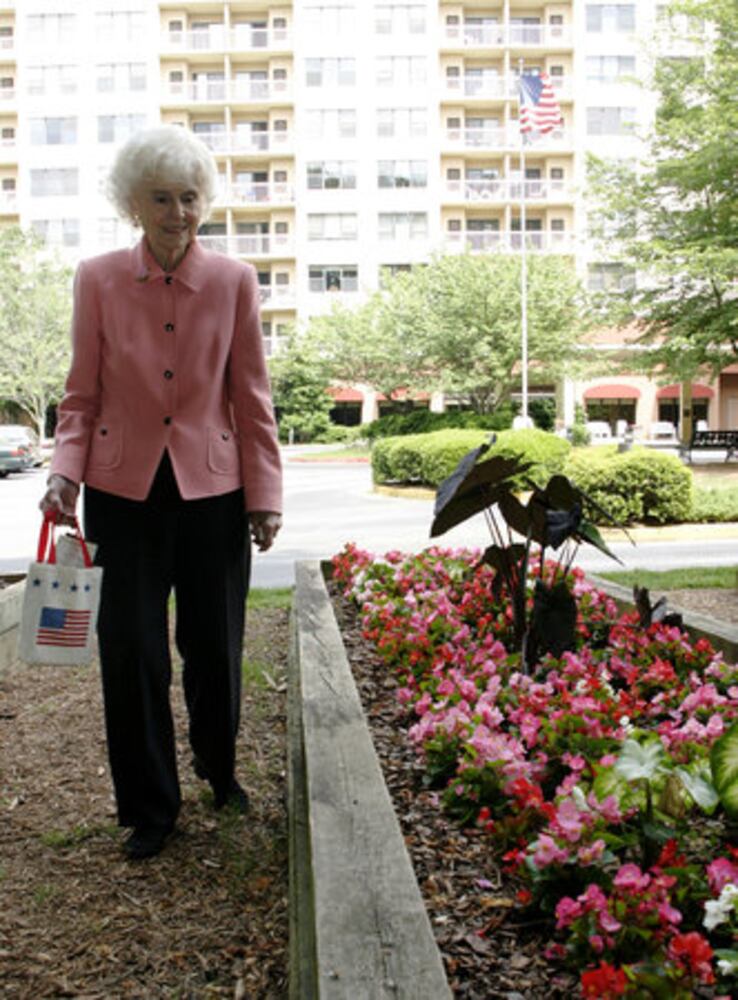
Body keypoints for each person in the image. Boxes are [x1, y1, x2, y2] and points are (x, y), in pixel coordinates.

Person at [39, 125, 283, 860]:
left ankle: (218, 766)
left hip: (215, 491)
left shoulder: (235, 281)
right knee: (132, 651)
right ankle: (150, 807)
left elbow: (251, 397)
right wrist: (64, 472)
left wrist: (264, 494)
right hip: (123, 492)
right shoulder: (97, 278)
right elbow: (80, 396)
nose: (178, 213)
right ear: (133, 205)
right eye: (161, 199)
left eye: (189, 197)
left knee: (214, 646)